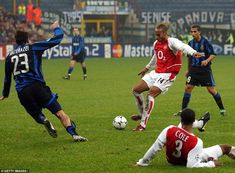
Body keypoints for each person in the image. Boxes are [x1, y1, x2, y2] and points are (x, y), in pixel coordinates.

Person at [0, 21, 87, 142]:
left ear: (16, 41)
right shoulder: (33, 47)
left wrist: (5, 94)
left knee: (37, 115)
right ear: (27, 39)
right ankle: (74, 134)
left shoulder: (9, 56)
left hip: (22, 91)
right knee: (59, 113)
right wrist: (56, 28)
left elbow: (7, 77)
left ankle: (44, 120)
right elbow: (56, 39)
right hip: (38, 87)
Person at [131, 23, 202, 131]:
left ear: (165, 33)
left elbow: (182, 46)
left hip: (168, 74)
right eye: (156, 35)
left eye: (159, 35)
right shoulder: (156, 43)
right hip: (156, 72)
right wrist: (147, 67)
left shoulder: (172, 42)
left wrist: (193, 52)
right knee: (136, 90)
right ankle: (142, 114)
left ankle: (143, 125)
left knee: (150, 95)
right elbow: (156, 55)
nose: (157, 37)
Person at [136, 108, 235, 168]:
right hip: (187, 159)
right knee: (226, 147)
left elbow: (155, 148)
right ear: (193, 121)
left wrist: (142, 162)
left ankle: (200, 123)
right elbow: (192, 165)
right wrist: (212, 164)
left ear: (181, 119)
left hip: (171, 160)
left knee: (178, 128)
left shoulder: (169, 129)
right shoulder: (197, 142)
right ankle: (200, 123)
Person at [175, 25, 226, 116]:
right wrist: (188, 69)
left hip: (205, 70)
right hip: (194, 70)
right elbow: (189, 57)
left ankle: (222, 109)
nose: (193, 33)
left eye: (195, 31)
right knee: (188, 88)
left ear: (199, 32)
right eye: (191, 32)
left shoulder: (205, 42)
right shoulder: (190, 43)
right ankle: (183, 111)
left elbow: (213, 54)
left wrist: (207, 60)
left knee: (211, 90)